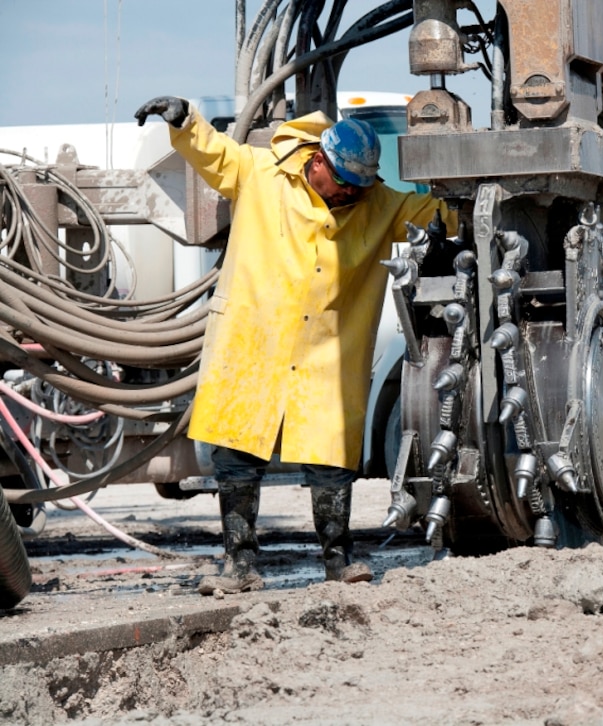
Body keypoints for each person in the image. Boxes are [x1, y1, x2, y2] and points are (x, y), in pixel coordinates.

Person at [135, 96, 455, 595]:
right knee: (237, 452)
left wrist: (469, 199)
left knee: (331, 456)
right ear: (319, 161)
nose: (350, 193)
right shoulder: (263, 173)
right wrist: (185, 120)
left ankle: (338, 561)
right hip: (254, 340)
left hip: (327, 351)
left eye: (360, 186)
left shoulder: (375, 201)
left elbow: (432, 214)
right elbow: (217, 156)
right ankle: (239, 565)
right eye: (344, 182)